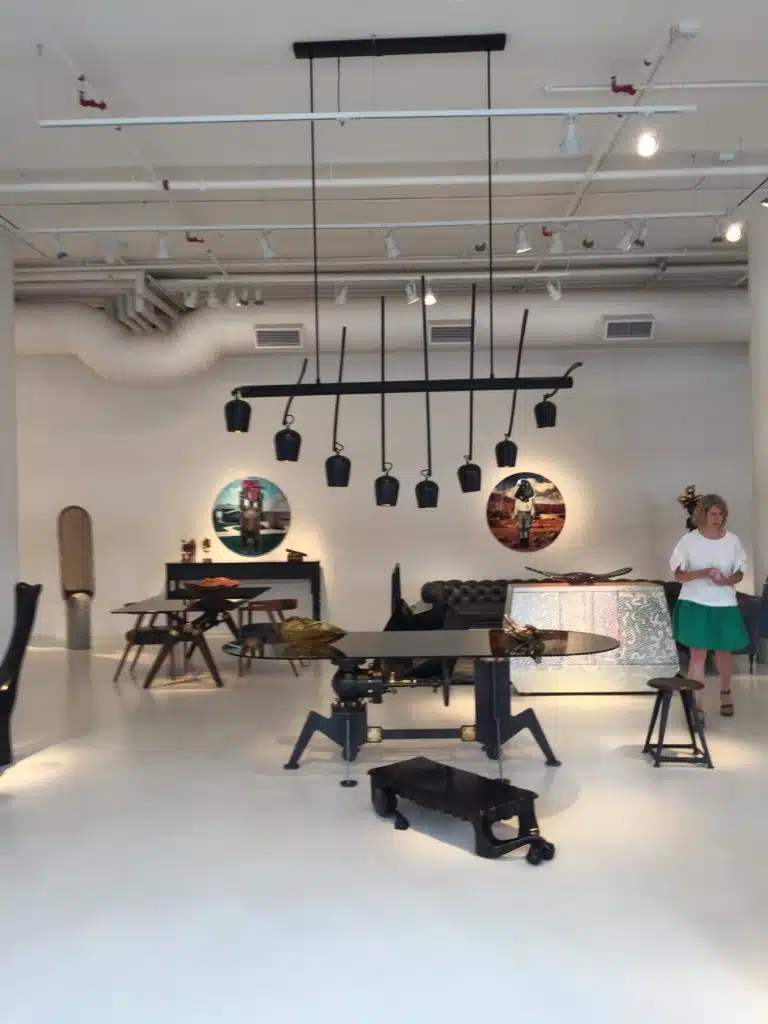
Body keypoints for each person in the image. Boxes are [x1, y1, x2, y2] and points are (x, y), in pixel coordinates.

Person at [670, 493, 748, 722]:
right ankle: (697, 705)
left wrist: (728, 580)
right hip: (695, 603)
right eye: (713, 513)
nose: (717, 518)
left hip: (724, 603)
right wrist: (702, 573)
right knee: (698, 655)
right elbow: (678, 574)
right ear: (702, 514)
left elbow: (740, 572)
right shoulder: (689, 541)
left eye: (721, 514)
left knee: (724, 652)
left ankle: (726, 693)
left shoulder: (732, 541)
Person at [513, 478, 536, 548]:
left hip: (522, 514)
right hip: (526, 514)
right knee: (525, 529)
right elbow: (532, 507)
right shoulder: (529, 498)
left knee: (523, 529)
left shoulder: (521, 498)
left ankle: (523, 544)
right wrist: (532, 515)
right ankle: (524, 544)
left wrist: (515, 515)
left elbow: (516, 507)